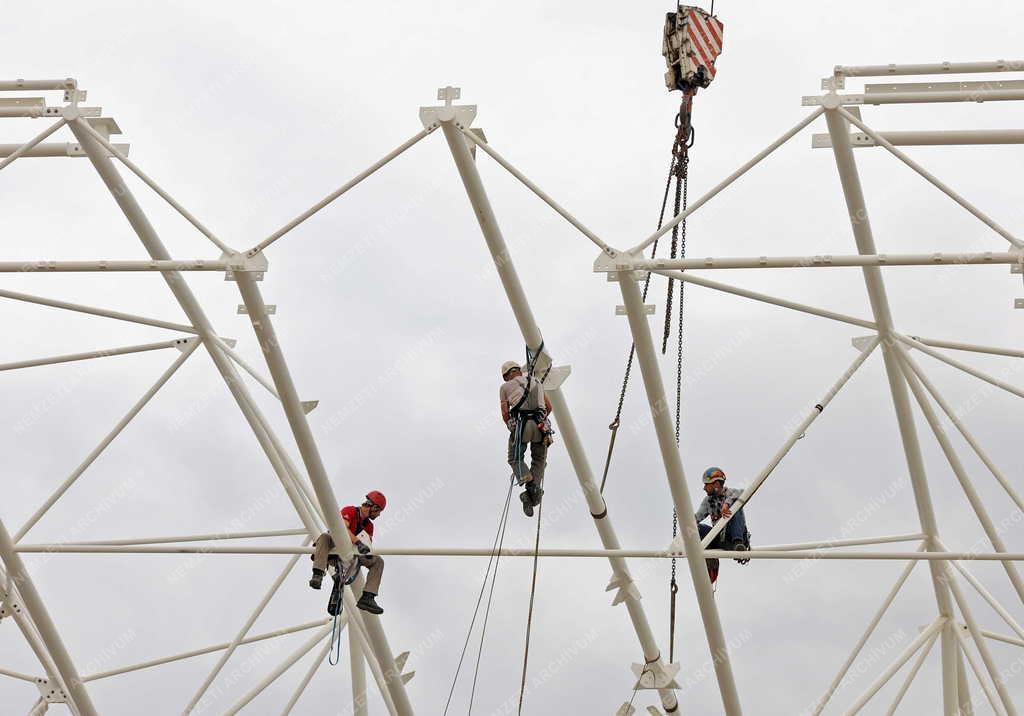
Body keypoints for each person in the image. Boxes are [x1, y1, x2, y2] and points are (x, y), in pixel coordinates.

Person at [309, 491, 387, 616]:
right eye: (378, 511)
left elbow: (367, 542)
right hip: (333, 549)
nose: (378, 515)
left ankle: (368, 597)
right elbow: (343, 529)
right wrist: (358, 542)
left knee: (378, 561)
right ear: (373, 507)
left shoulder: (369, 526)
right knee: (324, 537)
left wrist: (366, 550)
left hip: (353, 555)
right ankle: (317, 574)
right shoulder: (350, 511)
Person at [499, 360, 554, 517]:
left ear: (507, 375)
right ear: (518, 371)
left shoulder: (504, 387)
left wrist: (512, 427)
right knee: (539, 461)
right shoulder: (537, 382)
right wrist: (539, 420)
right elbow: (549, 407)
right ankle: (531, 494)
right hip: (541, 427)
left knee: (514, 458)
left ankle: (529, 483)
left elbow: (505, 413)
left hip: (522, 426)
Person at [694, 467, 750, 582]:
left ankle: (738, 544)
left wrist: (727, 504)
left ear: (716, 484)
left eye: (707, 484)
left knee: (736, 507)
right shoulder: (708, 501)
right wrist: (687, 519)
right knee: (698, 528)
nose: (704, 488)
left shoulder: (731, 493)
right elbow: (698, 516)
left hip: (734, 537)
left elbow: (743, 493)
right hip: (720, 538)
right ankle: (709, 557)